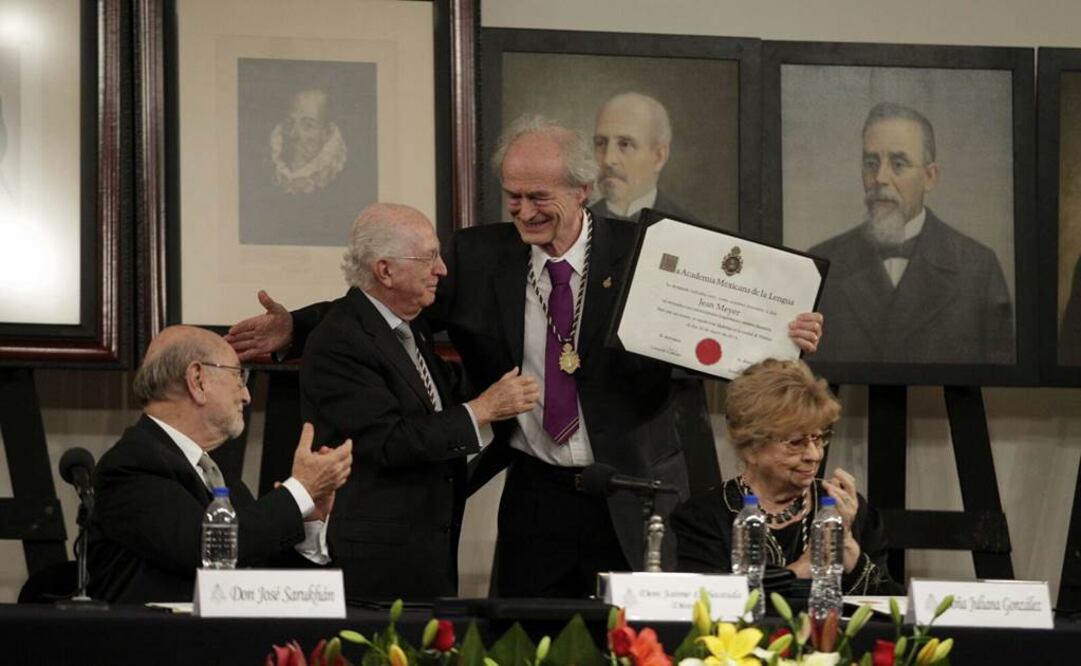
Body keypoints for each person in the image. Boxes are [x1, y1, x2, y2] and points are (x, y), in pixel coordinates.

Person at [225, 115, 823, 598]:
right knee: (520, 638)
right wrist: (294, 329)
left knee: (645, 643)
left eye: (539, 196)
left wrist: (785, 330)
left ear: (581, 190)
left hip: (636, 488)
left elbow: (724, 320)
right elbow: (383, 301)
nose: (523, 211)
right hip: (538, 490)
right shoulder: (479, 255)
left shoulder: (644, 250)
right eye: (511, 196)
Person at [300, 203, 538, 600]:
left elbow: (438, 397)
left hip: (425, 556)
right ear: (385, 270)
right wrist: (482, 410)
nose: (442, 270)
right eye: (428, 257)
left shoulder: (410, 329)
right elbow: (389, 441)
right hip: (376, 567)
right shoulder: (340, 340)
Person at [87, 325, 353, 603]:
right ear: (198, 380)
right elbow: (210, 550)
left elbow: (260, 573)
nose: (246, 395)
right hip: (157, 642)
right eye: (239, 376)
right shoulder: (131, 465)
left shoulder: (219, 477)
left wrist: (309, 519)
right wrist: (301, 490)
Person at [671, 358, 900, 595]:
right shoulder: (703, 519)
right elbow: (704, 605)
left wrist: (853, 559)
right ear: (751, 447)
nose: (814, 454)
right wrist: (799, 571)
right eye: (796, 442)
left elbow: (895, 612)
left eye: (818, 438)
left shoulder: (846, 509)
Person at [808, 102, 1014, 365]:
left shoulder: (978, 268)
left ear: (930, 177)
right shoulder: (823, 262)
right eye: (871, 162)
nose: (880, 177)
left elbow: (1000, 371)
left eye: (898, 163)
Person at [589, 92, 692, 222]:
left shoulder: (691, 232)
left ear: (658, 157)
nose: (608, 160)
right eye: (601, 143)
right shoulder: (576, 224)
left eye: (625, 144)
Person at [270, 88, 347, 195]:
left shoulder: (342, 183)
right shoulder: (274, 172)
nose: (294, 135)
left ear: (327, 133)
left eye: (308, 125)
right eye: (289, 123)